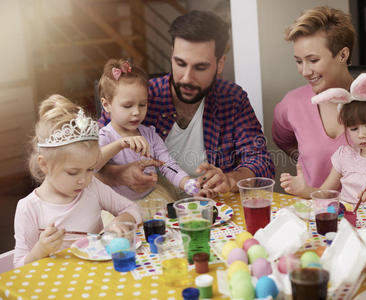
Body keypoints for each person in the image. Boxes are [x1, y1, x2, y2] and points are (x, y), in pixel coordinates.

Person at [272, 6, 366, 226]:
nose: (304, 71)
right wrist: (305, 159)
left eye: (313, 60)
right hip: (316, 220)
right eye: (299, 61)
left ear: (343, 54)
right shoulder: (291, 104)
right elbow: (283, 139)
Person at [97, 10, 274, 198]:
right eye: (180, 63)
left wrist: (230, 179)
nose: (187, 78)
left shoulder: (232, 99)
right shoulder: (138, 97)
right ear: (172, 54)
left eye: (200, 67)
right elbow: (82, 159)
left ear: (220, 64)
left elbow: (261, 161)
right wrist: (118, 175)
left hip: (213, 211)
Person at [14, 95, 142, 267]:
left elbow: (132, 208)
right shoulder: (29, 208)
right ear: (44, 164)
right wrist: (40, 250)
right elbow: (18, 268)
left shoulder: (93, 188)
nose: (83, 180)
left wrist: (120, 221)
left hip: (97, 279)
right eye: (73, 172)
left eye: (90, 169)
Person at [281, 72, 366, 210]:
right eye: (353, 129)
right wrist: (304, 190)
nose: (361, 135)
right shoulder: (344, 156)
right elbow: (324, 193)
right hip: (346, 225)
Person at [97, 58, 208, 200]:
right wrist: (121, 144)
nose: (136, 112)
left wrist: (187, 183)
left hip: (151, 198)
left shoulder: (149, 134)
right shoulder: (105, 136)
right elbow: (92, 165)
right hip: (116, 204)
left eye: (142, 104)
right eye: (127, 106)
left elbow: (167, 164)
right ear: (106, 105)